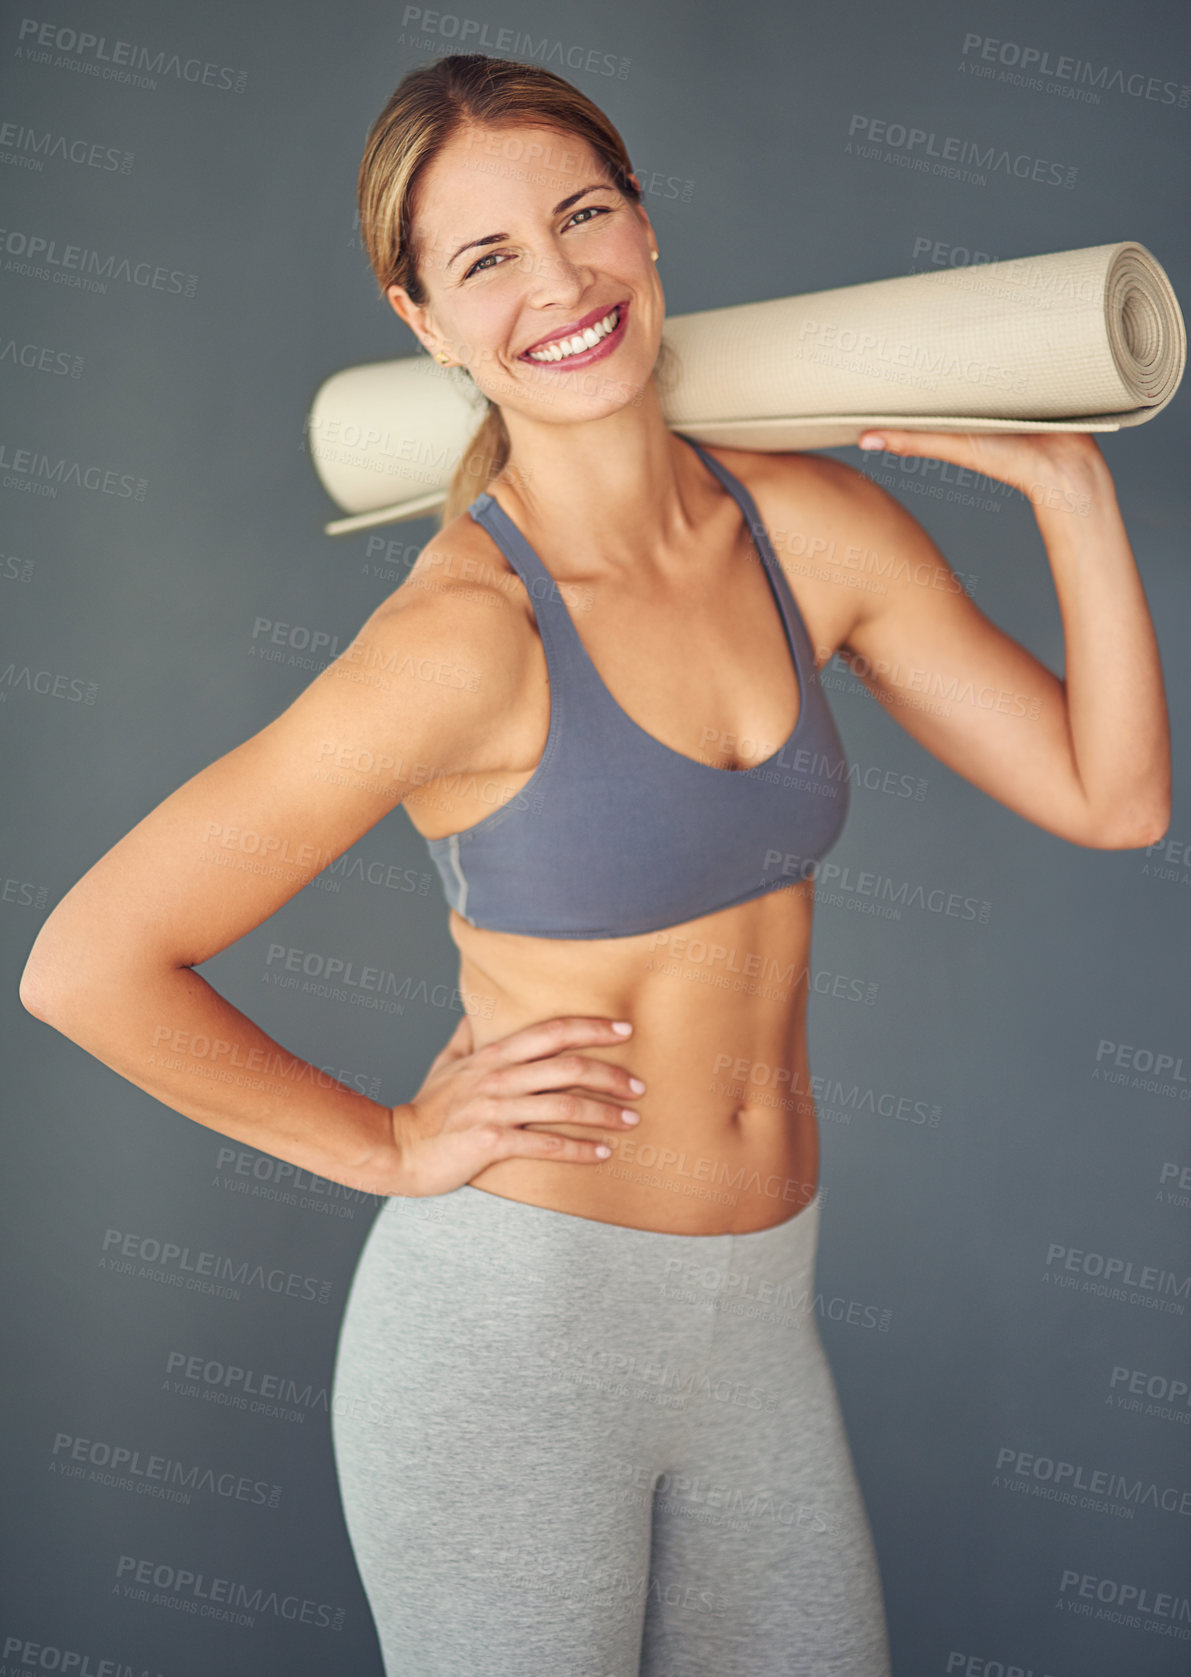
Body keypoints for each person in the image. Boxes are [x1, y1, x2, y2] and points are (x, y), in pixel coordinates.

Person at [20, 51, 1169, 1677]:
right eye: (486, 259)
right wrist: (394, 1143)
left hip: (762, 1330)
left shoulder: (810, 532)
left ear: (645, 226)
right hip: (513, 1344)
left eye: (584, 217)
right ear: (421, 321)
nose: (559, 282)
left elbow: (1111, 797)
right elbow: (83, 962)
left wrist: (1072, 489)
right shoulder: (461, 640)